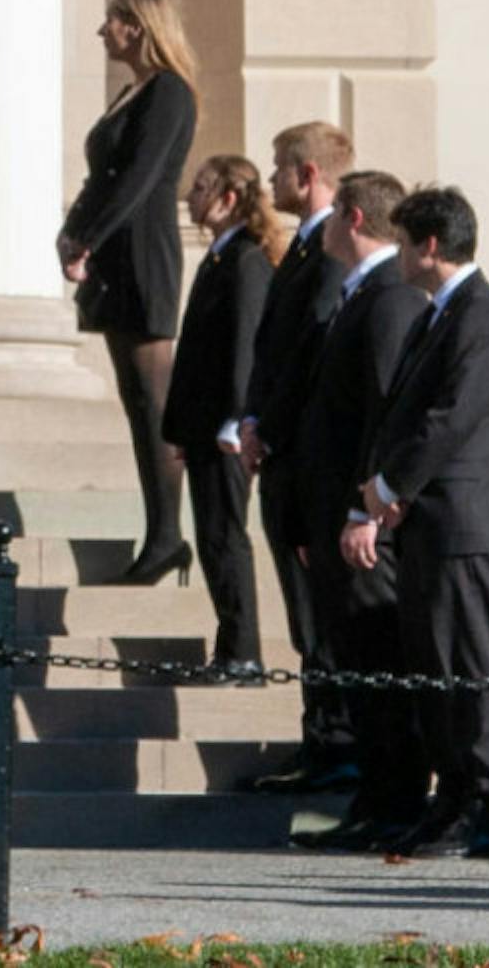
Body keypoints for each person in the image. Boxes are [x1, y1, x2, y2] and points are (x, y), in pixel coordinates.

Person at [353, 187, 489, 860]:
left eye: (402, 242)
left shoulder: (486, 315)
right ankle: (450, 801)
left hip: (465, 525)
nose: (395, 255)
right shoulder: (438, 314)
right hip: (428, 525)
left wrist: (390, 485)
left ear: (429, 245)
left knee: (473, 670)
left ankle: (484, 810)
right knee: (435, 673)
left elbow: (449, 418)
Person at [287, 170, 427, 852]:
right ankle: (376, 799)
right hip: (335, 516)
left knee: (379, 668)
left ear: (349, 216)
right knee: (359, 669)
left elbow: (382, 412)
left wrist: (362, 510)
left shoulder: (388, 295)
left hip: (364, 525)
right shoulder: (363, 291)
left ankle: (395, 803)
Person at [57, 0, 199, 585]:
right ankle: (159, 533)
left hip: (142, 251)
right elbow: (104, 177)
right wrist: (73, 233)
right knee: (136, 399)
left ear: (139, 26)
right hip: (116, 253)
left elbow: (137, 179)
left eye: (112, 21)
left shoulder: (168, 92)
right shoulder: (132, 92)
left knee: (155, 403)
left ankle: (167, 535)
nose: (102, 32)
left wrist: (85, 235)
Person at [237, 121, 357, 795]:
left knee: (320, 616)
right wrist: (252, 419)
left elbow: (308, 350)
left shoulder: (332, 252)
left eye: (280, 166)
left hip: (307, 460)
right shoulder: (302, 249)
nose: (270, 177)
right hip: (282, 454)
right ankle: (321, 739)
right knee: (302, 616)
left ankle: (337, 746)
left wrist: (266, 426)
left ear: (308, 174)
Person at [160, 156, 279, 681]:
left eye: (202, 187)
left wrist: (237, 419)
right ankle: (230, 648)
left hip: (227, 429)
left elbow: (247, 348)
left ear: (229, 198)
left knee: (225, 537)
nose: (191, 195)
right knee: (211, 537)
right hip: (206, 426)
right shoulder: (218, 258)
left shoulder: (247, 261)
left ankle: (242, 651)